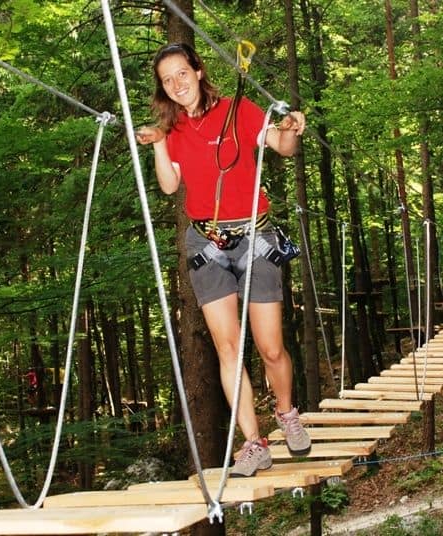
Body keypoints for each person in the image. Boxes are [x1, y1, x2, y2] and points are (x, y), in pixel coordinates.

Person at [136, 42, 311, 477]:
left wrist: (291, 128)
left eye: (182, 73)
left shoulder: (238, 109)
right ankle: (254, 442)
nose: (176, 85)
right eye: (167, 80)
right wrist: (158, 144)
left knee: (270, 347)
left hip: (255, 236)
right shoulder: (171, 129)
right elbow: (169, 187)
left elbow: (282, 147)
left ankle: (287, 412)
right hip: (206, 245)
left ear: (197, 71)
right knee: (227, 348)